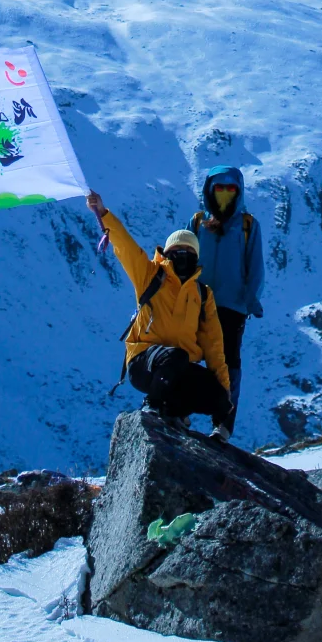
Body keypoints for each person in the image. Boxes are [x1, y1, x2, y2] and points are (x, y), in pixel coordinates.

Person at [87, 190, 234, 441]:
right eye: (176, 250)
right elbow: (126, 248)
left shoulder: (202, 294)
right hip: (144, 363)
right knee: (176, 356)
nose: (182, 256)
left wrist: (224, 403)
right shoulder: (150, 276)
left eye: (188, 252)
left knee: (216, 396)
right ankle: (153, 407)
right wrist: (103, 213)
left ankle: (173, 411)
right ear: (166, 254)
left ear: (196, 257)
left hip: (176, 370)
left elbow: (214, 345)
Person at [189, 165, 264, 432]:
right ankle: (179, 410)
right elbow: (183, 257)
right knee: (187, 356)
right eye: (219, 188)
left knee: (228, 364)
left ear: (238, 191)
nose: (224, 194)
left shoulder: (248, 226)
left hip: (232, 307)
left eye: (230, 189)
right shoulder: (197, 222)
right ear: (209, 190)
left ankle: (223, 424)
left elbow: (255, 266)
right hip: (197, 303)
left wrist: (251, 299)